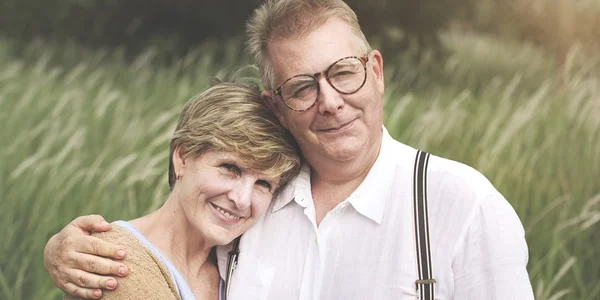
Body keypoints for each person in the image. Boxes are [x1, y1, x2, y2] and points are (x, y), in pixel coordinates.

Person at [44, 0, 535, 299]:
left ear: (377, 72)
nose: (330, 102)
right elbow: (164, 255)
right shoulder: (255, 204)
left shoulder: (464, 207)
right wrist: (66, 251)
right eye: (302, 86)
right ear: (276, 106)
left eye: (344, 71)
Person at [49, 82, 301, 299]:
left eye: (263, 184)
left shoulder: (238, 263)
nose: (242, 200)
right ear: (181, 157)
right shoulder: (115, 261)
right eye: (230, 167)